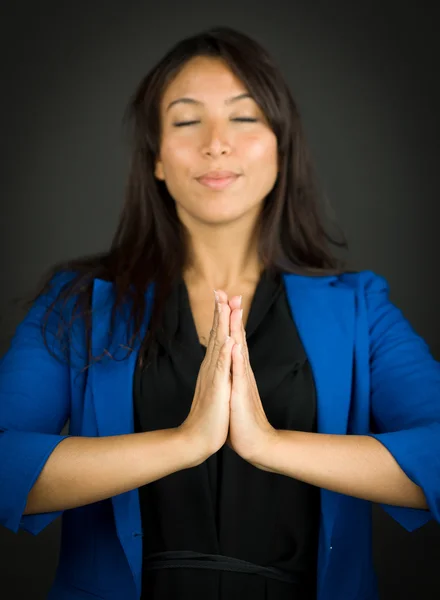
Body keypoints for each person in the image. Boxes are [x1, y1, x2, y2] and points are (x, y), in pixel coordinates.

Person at [0, 26, 439, 600]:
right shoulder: (77, 302)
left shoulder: (360, 307)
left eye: (244, 117)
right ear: (156, 158)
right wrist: (184, 441)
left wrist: (267, 444)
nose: (216, 143)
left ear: (282, 146)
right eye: (186, 121)